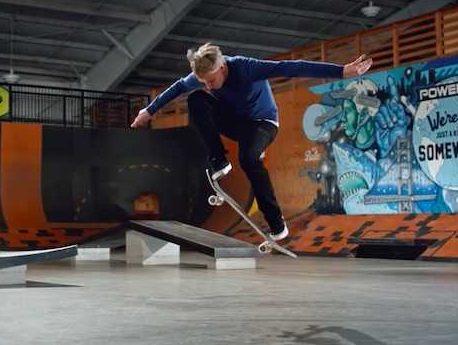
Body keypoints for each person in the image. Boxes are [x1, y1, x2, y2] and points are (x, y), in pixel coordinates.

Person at [130, 43, 372, 241]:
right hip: (234, 122)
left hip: (263, 124)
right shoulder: (203, 76)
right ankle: (218, 160)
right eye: (204, 81)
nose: (209, 85)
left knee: (249, 159)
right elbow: (176, 89)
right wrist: (149, 111)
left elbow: (291, 67)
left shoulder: (247, 68)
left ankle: (277, 223)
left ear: (223, 67)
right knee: (196, 100)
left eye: (211, 81)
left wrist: (341, 72)